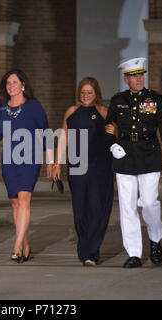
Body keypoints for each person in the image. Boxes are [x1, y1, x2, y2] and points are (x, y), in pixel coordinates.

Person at [105, 57, 162, 268]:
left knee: (149, 202)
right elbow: (108, 126)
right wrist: (112, 145)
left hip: (149, 155)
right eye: (134, 76)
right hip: (125, 157)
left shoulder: (156, 99)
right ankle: (134, 253)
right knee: (127, 207)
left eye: (141, 75)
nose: (138, 79)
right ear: (126, 79)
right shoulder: (118, 100)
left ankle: (155, 240)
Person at [0, 69, 54, 263]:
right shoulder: (1, 109)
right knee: (15, 202)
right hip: (9, 160)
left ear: (23, 85)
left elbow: (46, 133)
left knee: (24, 198)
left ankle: (17, 245)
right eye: (8, 83)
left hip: (30, 157)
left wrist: (51, 161)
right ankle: (25, 245)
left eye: (15, 82)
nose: (11, 86)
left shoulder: (34, 106)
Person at [52, 77, 114, 267]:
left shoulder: (104, 111)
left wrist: (114, 132)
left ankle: (92, 252)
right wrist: (56, 163)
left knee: (97, 209)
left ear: (97, 95)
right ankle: (84, 248)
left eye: (90, 92)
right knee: (80, 210)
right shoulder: (72, 111)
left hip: (99, 168)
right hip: (77, 168)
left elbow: (115, 136)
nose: (85, 95)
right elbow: (64, 138)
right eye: (83, 92)